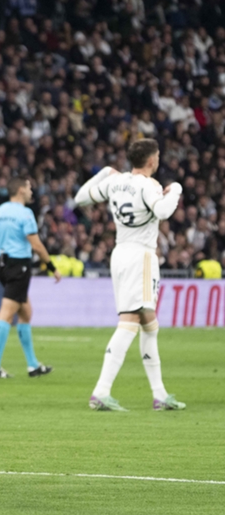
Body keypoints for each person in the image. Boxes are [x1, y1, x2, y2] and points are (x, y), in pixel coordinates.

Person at [74, 139, 185, 411]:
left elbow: (80, 197)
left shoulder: (116, 181)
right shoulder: (148, 185)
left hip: (120, 252)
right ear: (151, 160)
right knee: (131, 319)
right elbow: (163, 211)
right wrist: (176, 190)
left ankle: (160, 395)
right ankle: (101, 391)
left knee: (150, 323)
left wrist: (105, 172)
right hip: (142, 256)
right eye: (157, 155)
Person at [0, 177, 60, 378]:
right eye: (29, 187)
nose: (32, 191)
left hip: (2, 265)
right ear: (20, 190)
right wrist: (52, 266)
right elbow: (36, 245)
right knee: (6, 314)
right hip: (19, 267)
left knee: (26, 312)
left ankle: (33, 366)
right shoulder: (26, 214)